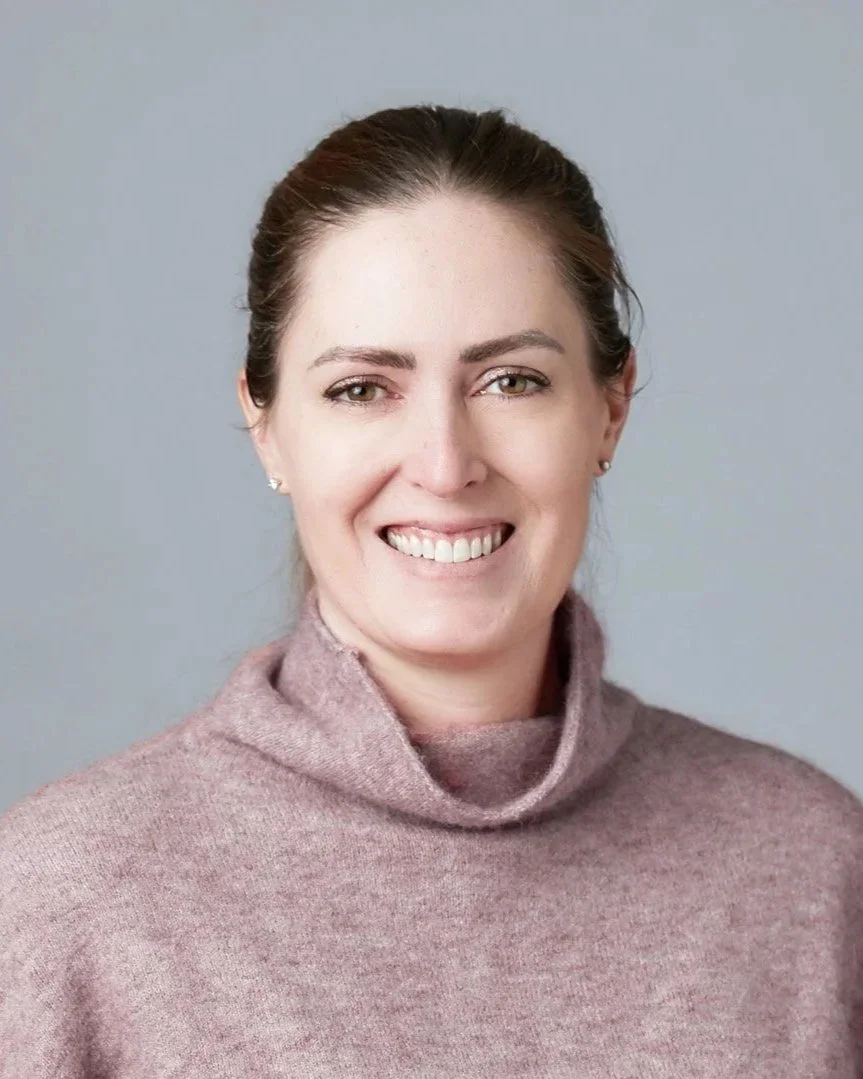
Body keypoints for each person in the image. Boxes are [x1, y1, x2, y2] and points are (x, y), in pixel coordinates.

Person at [1, 104, 862, 1077]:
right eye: (362, 388)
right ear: (266, 423)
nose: (444, 464)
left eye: (509, 381)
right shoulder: (64, 892)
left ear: (609, 408)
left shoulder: (811, 866)